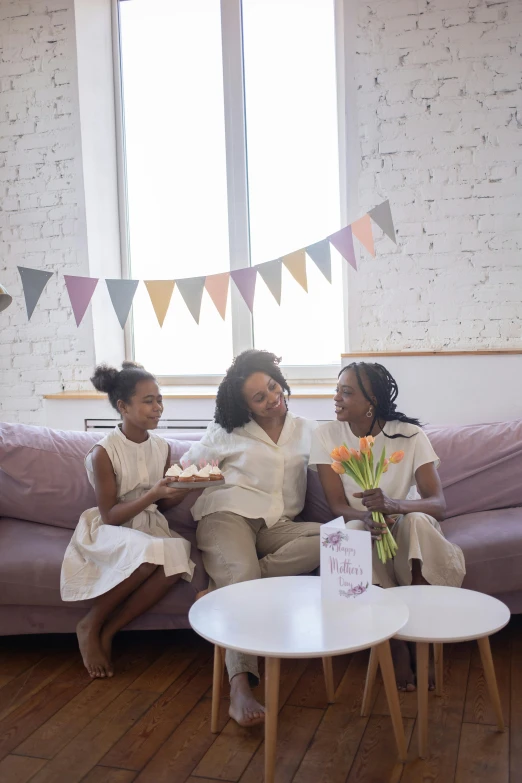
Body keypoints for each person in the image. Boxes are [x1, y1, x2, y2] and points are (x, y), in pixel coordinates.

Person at [181, 350, 321, 727]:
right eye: (259, 397)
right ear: (244, 405)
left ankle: (227, 587)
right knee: (241, 578)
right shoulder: (227, 431)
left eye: (273, 387)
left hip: (278, 526)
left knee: (342, 537)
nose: (272, 398)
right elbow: (185, 467)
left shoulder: (308, 429)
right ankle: (241, 687)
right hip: (228, 516)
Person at [310, 361, 465, 691]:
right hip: (363, 524)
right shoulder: (325, 435)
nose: (336, 397)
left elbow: (439, 505)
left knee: (419, 522)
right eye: (337, 389)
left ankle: (421, 635)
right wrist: (367, 517)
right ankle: (393, 640)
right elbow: (337, 505)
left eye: (346, 392)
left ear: (372, 402)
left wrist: (395, 506)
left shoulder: (409, 436)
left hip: (405, 522)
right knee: (348, 534)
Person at [61, 362, 195, 680]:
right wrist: (152, 495)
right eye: (148, 400)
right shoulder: (103, 453)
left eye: (159, 399)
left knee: (177, 555)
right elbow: (110, 515)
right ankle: (90, 624)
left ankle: (109, 633)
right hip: (112, 528)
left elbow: (161, 504)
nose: (158, 407)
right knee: (148, 556)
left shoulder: (162, 447)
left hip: (147, 524)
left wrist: (188, 490)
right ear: (123, 406)